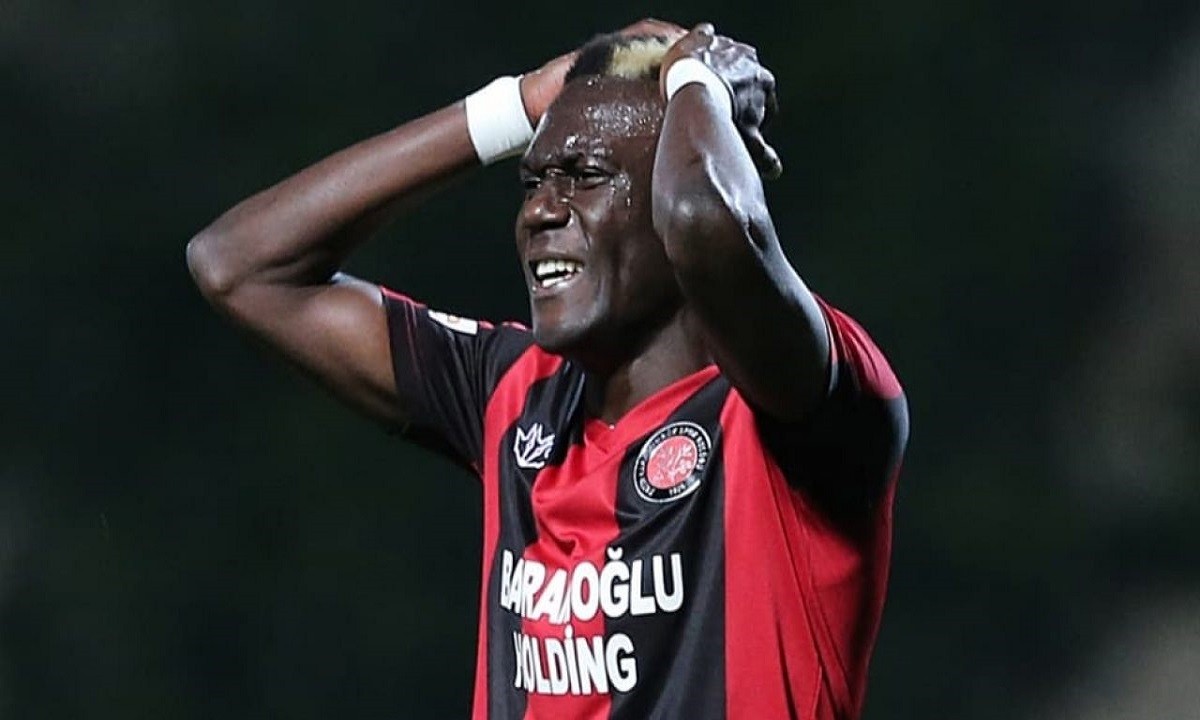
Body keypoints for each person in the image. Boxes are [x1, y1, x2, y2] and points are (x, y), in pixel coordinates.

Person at [187, 18, 908, 720]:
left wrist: (698, 81)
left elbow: (702, 221)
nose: (539, 212)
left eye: (585, 176)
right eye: (533, 181)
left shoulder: (803, 405)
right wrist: (514, 106)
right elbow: (239, 265)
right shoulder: (512, 392)